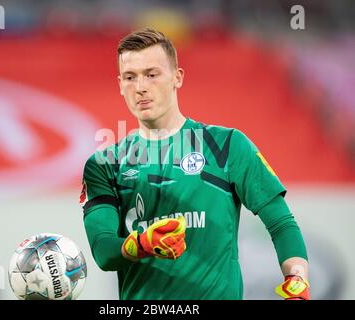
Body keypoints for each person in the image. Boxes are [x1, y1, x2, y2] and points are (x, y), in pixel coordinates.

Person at [80, 28, 310, 300]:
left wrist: (297, 277)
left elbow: (281, 223)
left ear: (177, 78)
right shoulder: (105, 164)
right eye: (130, 77)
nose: (140, 86)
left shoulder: (227, 145)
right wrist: (141, 244)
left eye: (152, 74)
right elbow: (103, 252)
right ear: (120, 84)